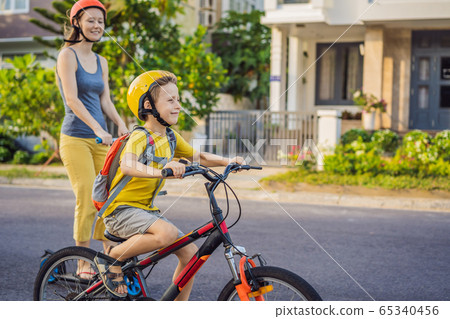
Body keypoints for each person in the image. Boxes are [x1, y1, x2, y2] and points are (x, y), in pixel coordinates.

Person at [94, 70, 245, 299]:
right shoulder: (141, 136)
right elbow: (127, 165)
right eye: (170, 100)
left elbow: (199, 157)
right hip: (119, 211)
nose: (178, 106)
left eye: (179, 100)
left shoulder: (170, 137)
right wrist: (161, 171)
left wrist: (229, 162)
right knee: (167, 233)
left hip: (144, 211)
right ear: (148, 104)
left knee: (190, 255)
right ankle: (112, 258)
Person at [56, 0, 128, 277]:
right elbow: (72, 99)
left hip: (101, 141)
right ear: (77, 23)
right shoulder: (67, 56)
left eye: (100, 21)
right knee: (87, 196)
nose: (97, 25)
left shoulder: (102, 61)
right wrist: (98, 128)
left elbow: (105, 100)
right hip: (75, 138)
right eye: (91, 20)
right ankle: (82, 262)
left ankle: (108, 257)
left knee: (109, 198)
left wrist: (120, 123)